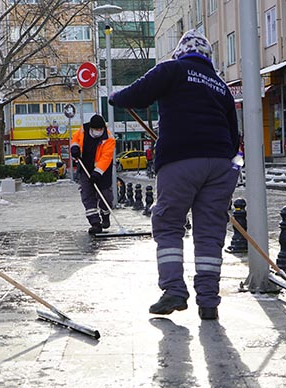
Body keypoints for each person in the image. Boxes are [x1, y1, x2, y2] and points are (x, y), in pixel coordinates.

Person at [109, 29, 240, 320]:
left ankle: (174, 291)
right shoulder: (220, 85)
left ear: (181, 52)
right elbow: (234, 135)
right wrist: (224, 160)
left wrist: (116, 98)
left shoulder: (174, 69)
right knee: (210, 233)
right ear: (207, 56)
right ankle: (208, 302)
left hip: (180, 159)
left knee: (169, 223)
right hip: (221, 164)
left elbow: (138, 94)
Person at [70, 114, 116, 234]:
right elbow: (75, 139)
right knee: (87, 195)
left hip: (102, 172)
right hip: (85, 168)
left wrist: (97, 173)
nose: (99, 131)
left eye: (101, 129)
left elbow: (106, 158)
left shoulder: (109, 138)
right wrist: (74, 148)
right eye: (97, 129)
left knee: (106, 196)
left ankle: (105, 214)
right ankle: (95, 223)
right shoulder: (83, 130)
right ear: (91, 127)